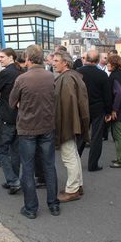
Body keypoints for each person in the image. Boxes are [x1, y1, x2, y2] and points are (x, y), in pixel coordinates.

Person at [10, 44, 60, 219]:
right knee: (49, 166)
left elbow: (11, 102)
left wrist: (21, 104)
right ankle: (53, 204)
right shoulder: (51, 76)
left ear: (28, 59)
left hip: (27, 127)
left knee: (28, 168)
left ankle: (31, 208)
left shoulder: (22, 79)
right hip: (47, 125)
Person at [53, 51, 90, 202]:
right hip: (71, 122)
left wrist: (63, 126)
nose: (53, 63)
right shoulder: (72, 76)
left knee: (69, 156)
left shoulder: (66, 78)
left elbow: (67, 105)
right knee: (73, 154)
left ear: (65, 63)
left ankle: (72, 189)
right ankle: (77, 185)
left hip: (66, 123)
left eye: (56, 60)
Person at [0, 48, 22, 194]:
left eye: (2, 57)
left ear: (11, 57)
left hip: (6, 116)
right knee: (15, 150)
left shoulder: (6, 73)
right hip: (19, 116)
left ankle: (13, 180)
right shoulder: (20, 71)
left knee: (2, 150)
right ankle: (14, 179)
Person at [76, 50, 112, 172]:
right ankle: (93, 164)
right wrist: (108, 111)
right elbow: (107, 95)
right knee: (96, 137)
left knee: (81, 136)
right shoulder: (102, 75)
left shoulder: (78, 73)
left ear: (86, 59)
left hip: (82, 108)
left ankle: (75, 162)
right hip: (98, 108)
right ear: (97, 61)